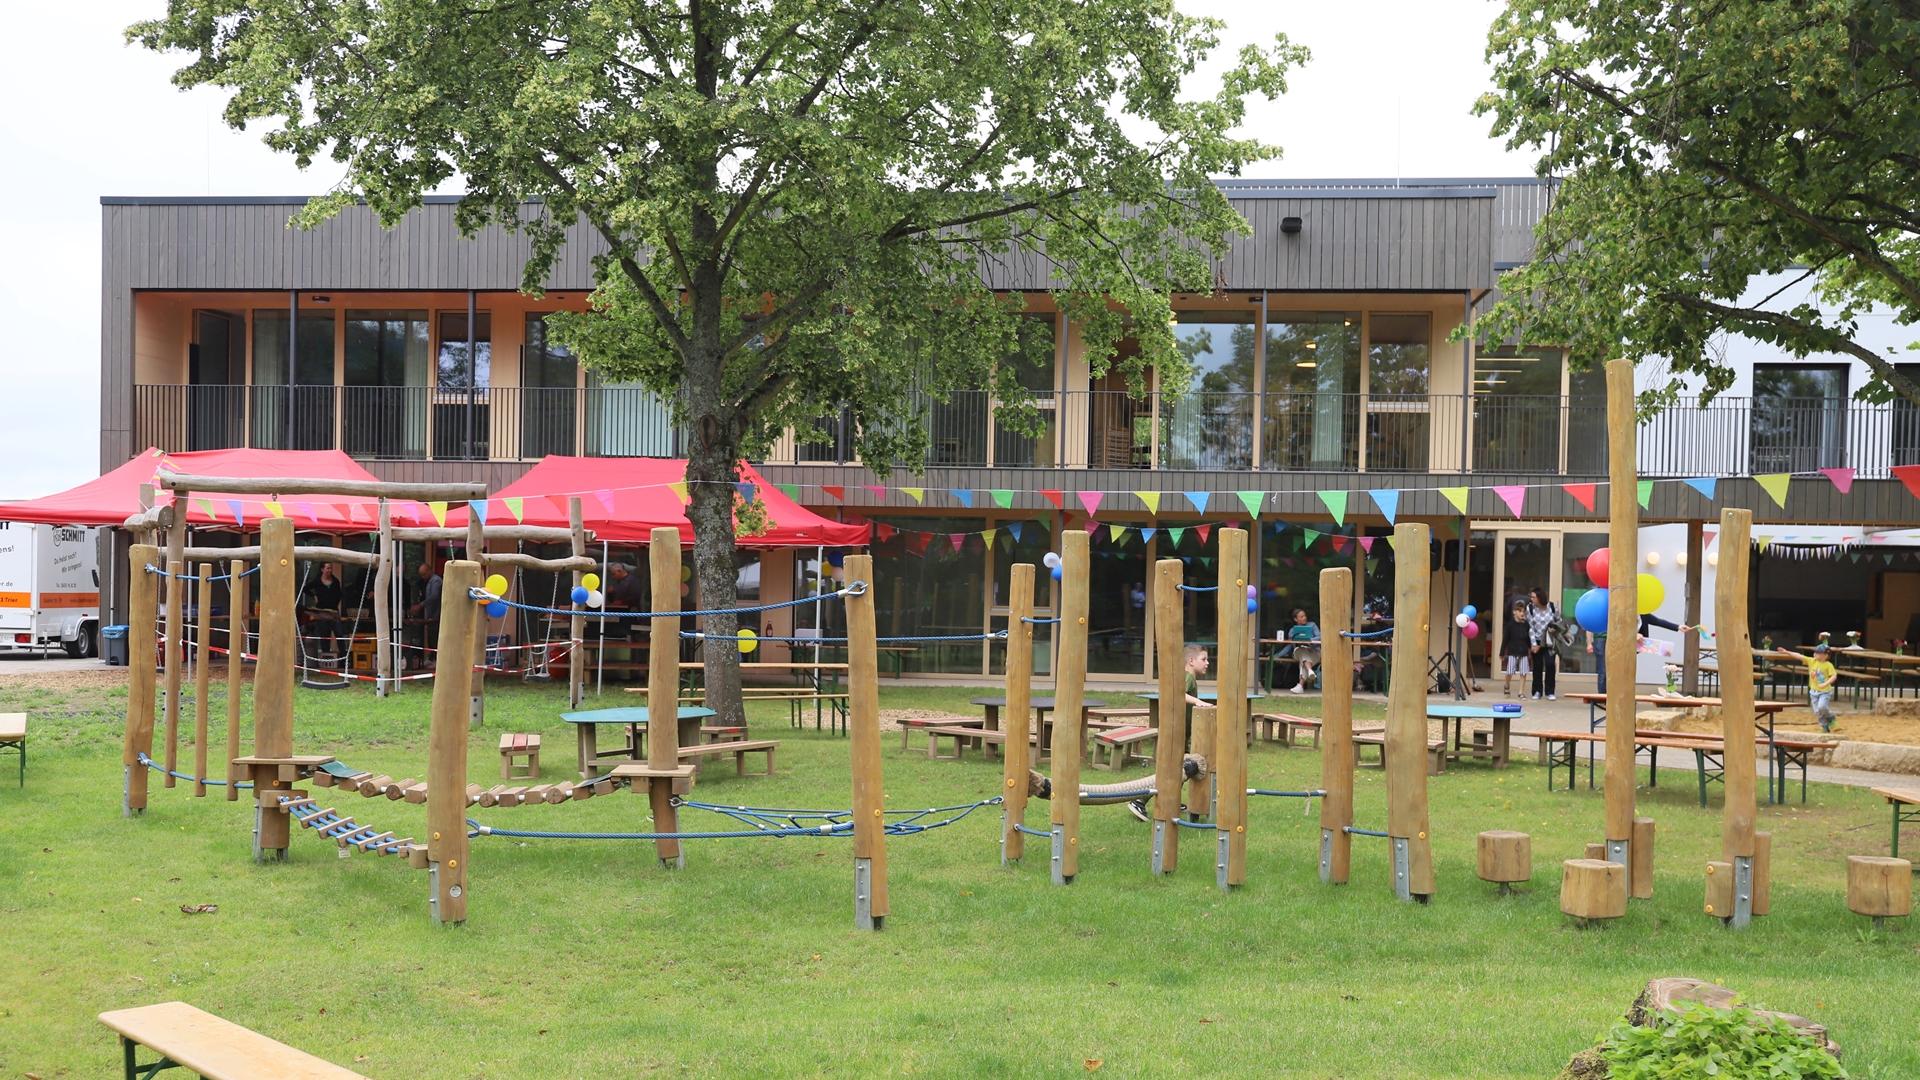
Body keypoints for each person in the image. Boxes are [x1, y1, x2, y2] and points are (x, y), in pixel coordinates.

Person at [1128, 644, 1211, 822]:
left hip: (1181, 735)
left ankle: (1172, 801)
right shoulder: (1187, 676)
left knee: (1182, 769)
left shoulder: (1189, 677)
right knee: (1174, 771)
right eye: (1203, 659)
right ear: (1190, 661)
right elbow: (1178, 694)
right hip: (1176, 735)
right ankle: (1139, 800)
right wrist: (1199, 702)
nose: (1207, 663)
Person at [1591, 612, 1688, 694]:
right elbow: (1617, 628)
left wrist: (1678, 627)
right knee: (1605, 669)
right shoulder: (1623, 613)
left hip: (1629, 647)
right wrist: (1633, 634)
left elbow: (1658, 621)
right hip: (1615, 643)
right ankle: (1602, 697)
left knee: (1626, 670)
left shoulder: (1643, 614)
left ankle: (1622, 695)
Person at [601, 561, 644, 682]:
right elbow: (613, 599)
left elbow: (635, 596)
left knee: (632, 638)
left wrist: (623, 602)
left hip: (630, 614)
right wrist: (610, 594)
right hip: (617, 613)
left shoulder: (633, 581)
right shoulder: (617, 582)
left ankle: (634, 670)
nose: (613, 577)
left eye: (614, 574)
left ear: (620, 571)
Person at [301, 562, 345, 658]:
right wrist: (314, 596)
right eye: (327, 568)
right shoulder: (317, 581)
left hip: (333, 612)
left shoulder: (335, 581)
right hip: (322, 613)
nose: (329, 570)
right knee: (325, 636)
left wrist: (334, 603)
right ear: (322, 569)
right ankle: (326, 658)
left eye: (330, 568)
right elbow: (305, 589)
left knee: (340, 634)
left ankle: (343, 658)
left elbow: (339, 594)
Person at [1525, 586, 1560, 700]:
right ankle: (1537, 691)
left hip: (1550, 640)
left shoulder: (1553, 607)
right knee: (1537, 666)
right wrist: (1534, 643)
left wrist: (1554, 631)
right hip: (1537, 640)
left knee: (1550, 664)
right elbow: (1530, 627)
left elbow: (1558, 622)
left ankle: (1550, 691)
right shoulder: (1530, 608)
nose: (1531, 599)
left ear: (1540, 598)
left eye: (1534, 597)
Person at [406, 562, 442, 668]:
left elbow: (434, 596)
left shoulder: (436, 581)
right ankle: (432, 658)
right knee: (430, 637)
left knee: (435, 637)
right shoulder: (428, 582)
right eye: (421, 575)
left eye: (424, 574)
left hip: (435, 614)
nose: (423, 577)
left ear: (430, 571)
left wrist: (420, 605)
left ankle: (436, 659)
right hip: (430, 614)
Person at [1285, 608, 1320, 693]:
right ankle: (1309, 670)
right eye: (1301, 616)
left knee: (1303, 660)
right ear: (1295, 619)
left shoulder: (1312, 625)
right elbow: (1290, 643)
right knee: (1301, 649)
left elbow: (1320, 637)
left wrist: (1310, 640)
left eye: (1304, 616)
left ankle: (1300, 685)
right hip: (1298, 652)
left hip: (1314, 652)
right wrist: (1277, 655)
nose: (1304, 618)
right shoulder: (1293, 630)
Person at [1501, 600, 1531, 696]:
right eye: (1520, 611)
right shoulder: (1510, 625)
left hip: (1523, 651)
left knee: (1523, 672)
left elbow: (1528, 638)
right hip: (1513, 651)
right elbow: (1505, 639)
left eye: (1523, 611)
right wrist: (1502, 652)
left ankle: (1521, 692)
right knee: (1510, 671)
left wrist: (1531, 648)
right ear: (1514, 612)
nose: (1522, 613)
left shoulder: (1526, 625)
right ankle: (1506, 684)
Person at [1808, 642, 1838, 732]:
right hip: (1814, 692)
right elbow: (1799, 656)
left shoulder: (1828, 665)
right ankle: (1825, 726)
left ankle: (1830, 717)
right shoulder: (1812, 661)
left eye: (1818, 653)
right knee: (1817, 711)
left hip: (1825, 691)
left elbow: (1834, 676)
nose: (1815, 654)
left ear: (1825, 655)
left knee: (1822, 707)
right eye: (1815, 652)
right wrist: (1787, 652)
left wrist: (1826, 683)